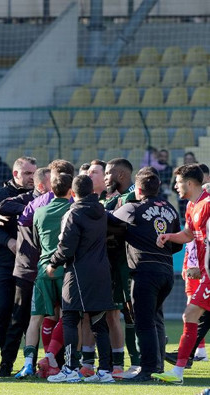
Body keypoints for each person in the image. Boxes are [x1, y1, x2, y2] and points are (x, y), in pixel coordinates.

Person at [109, 168, 181, 382]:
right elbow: (176, 242)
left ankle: (148, 369)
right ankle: (157, 366)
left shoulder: (133, 208)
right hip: (166, 271)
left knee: (144, 322)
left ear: (138, 190)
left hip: (145, 271)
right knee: (156, 319)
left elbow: (107, 220)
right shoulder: (170, 209)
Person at [45, 175, 115, 383]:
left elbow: (67, 246)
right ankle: (105, 371)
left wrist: (53, 263)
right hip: (102, 272)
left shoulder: (73, 212)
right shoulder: (101, 211)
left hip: (78, 273)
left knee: (69, 318)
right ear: (92, 191)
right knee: (99, 323)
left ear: (72, 193)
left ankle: (70, 369)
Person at [153, 163, 210, 384]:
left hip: (208, 274)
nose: (175, 186)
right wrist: (170, 236)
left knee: (190, 314)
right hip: (204, 273)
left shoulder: (207, 205)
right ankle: (178, 371)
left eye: (177, 182)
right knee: (191, 315)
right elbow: (188, 234)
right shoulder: (191, 206)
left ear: (189, 183)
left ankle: (178, 371)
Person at [14, 172, 72, 379]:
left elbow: (37, 241)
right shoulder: (73, 210)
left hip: (43, 268)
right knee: (68, 317)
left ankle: (28, 364)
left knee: (36, 318)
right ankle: (51, 357)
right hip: (65, 270)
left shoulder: (39, 211)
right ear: (71, 190)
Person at [0, 156, 36, 376]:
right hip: (5, 263)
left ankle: (30, 362)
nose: (32, 178)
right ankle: (6, 361)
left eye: (34, 173)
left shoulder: (38, 196)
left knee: (26, 315)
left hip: (30, 264)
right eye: (27, 173)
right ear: (16, 174)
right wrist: (8, 241)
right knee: (2, 311)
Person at [0, 167, 53, 376]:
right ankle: (6, 365)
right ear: (41, 186)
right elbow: (4, 206)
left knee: (49, 318)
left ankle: (48, 364)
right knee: (18, 319)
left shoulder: (58, 202)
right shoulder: (27, 199)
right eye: (52, 181)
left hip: (48, 269)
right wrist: (32, 208)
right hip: (26, 269)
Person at [104, 158, 139, 378]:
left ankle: (139, 362)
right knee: (121, 311)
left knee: (132, 311)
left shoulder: (133, 196)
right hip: (116, 262)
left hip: (130, 262)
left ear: (121, 175)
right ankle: (125, 362)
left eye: (108, 173)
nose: (106, 177)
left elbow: (120, 224)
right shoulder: (114, 197)